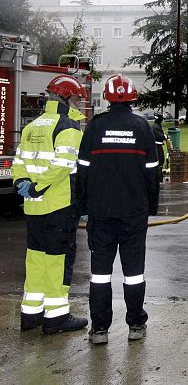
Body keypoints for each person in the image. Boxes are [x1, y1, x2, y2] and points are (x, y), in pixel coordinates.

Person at [76, 74, 160, 345]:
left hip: (100, 212)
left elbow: (83, 172)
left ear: (108, 98)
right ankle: (136, 324)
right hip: (134, 212)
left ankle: (99, 330)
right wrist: (151, 207)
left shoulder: (94, 127)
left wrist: (82, 206)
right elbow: (152, 172)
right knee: (134, 272)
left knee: (100, 274)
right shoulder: (142, 127)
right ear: (133, 97)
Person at [12, 75, 89, 334]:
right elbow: (63, 165)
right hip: (58, 206)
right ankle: (56, 317)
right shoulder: (68, 127)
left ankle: (30, 314)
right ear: (66, 97)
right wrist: (38, 185)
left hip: (33, 207)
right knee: (58, 261)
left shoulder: (33, 126)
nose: (79, 104)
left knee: (35, 260)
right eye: (78, 98)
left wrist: (22, 182)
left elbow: (20, 160)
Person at [152, 113, 168, 181]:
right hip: (157, 146)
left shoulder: (156, 126)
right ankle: (158, 177)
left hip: (158, 145)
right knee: (160, 160)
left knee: (161, 160)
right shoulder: (156, 127)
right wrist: (165, 137)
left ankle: (159, 175)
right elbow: (159, 136)